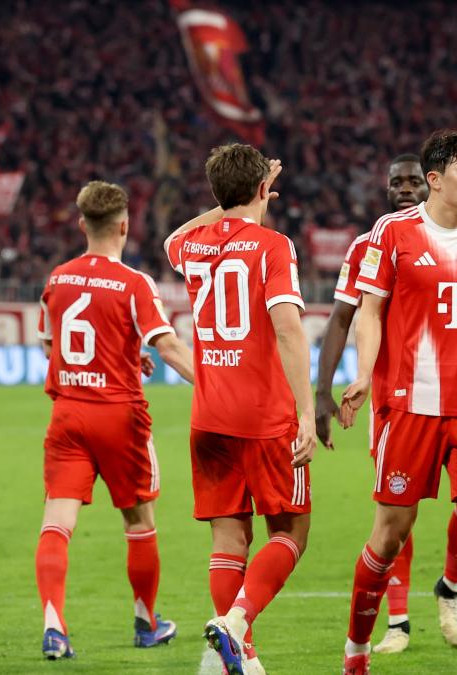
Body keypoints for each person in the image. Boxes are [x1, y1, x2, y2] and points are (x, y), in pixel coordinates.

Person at [337, 129, 457, 675]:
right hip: (410, 408)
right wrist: (363, 372)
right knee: (389, 537)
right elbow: (370, 311)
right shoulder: (393, 233)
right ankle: (356, 649)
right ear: (436, 180)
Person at [164, 145, 316, 675]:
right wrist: (307, 413)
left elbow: (171, 238)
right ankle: (235, 623)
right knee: (291, 532)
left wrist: (230, 202)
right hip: (264, 417)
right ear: (263, 190)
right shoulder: (274, 246)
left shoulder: (193, 245)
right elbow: (288, 329)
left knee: (228, 538)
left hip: (208, 417)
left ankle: (241, 658)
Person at [35, 180, 195, 659]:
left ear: (82, 224)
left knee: (56, 523)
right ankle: (147, 624)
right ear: (124, 227)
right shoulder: (134, 283)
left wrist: (117, 356)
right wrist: (218, 385)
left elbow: (50, 345)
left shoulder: (58, 278)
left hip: (68, 415)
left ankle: (54, 628)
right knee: (139, 520)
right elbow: (169, 347)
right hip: (120, 418)